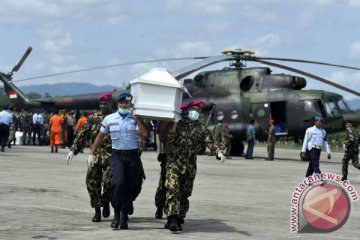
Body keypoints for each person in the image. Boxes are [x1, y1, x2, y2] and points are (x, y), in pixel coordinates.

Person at [164, 99, 225, 233]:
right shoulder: (178, 123)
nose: (196, 112)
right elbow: (170, 138)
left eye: (198, 111)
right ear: (188, 110)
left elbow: (210, 141)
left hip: (190, 166)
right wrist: (174, 123)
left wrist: (218, 152)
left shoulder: (201, 128)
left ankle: (179, 215)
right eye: (194, 110)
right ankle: (172, 218)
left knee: (184, 193)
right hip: (174, 164)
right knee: (173, 190)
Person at [90, 92, 147, 230]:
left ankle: (126, 210)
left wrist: (137, 118)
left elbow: (144, 134)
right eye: (121, 103)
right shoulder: (110, 119)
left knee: (132, 185)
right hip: (117, 156)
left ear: (130, 104)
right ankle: (117, 215)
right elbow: (100, 136)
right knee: (117, 183)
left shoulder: (135, 119)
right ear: (117, 104)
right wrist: (92, 153)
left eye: (126, 103)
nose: (124, 105)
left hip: (132, 156)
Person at [66, 92, 114, 223]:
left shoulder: (115, 118)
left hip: (111, 157)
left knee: (109, 182)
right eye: (101, 103)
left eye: (106, 103)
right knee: (91, 183)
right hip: (95, 156)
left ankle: (106, 201)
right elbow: (83, 134)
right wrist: (73, 150)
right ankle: (97, 210)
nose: (103, 106)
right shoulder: (93, 118)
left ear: (111, 104)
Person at [154, 103, 188, 220]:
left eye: (183, 112)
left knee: (181, 188)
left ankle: (178, 213)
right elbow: (162, 138)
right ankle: (160, 207)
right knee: (164, 185)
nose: (182, 115)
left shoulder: (188, 125)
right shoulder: (166, 121)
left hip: (184, 161)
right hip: (169, 159)